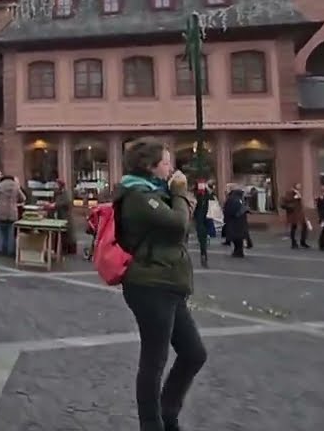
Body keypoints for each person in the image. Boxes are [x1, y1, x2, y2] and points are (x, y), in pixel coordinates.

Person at [116, 139, 206, 431]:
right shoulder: (137, 195)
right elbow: (178, 224)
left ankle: (168, 410)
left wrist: (178, 194)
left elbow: (182, 219)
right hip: (149, 284)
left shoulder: (155, 191)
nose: (171, 167)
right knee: (154, 360)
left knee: (194, 353)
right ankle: (152, 424)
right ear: (150, 166)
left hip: (168, 281)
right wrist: (179, 192)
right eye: (166, 162)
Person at [0, 175, 26, 256]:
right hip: (12, 212)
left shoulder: (0, 185)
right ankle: (10, 251)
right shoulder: (16, 186)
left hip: (1, 211)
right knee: (10, 232)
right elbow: (23, 198)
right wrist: (15, 200)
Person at [223, 187, 250, 258]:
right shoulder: (238, 200)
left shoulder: (233, 199)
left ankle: (238, 251)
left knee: (236, 238)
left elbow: (229, 210)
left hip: (235, 222)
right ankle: (238, 251)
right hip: (238, 222)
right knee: (238, 238)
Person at [282, 183, 309, 249]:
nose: (300, 186)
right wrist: (294, 198)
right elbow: (286, 201)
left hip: (299, 213)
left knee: (304, 226)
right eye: (298, 185)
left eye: (300, 185)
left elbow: (300, 203)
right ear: (295, 186)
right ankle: (294, 243)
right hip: (293, 213)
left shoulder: (298, 192)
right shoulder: (290, 192)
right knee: (294, 227)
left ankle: (302, 241)